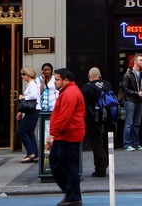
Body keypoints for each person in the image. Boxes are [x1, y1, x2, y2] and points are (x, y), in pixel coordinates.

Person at [46, 68, 86, 206]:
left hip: (69, 134)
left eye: (57, 79)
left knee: (67, 166)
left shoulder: (70, 93)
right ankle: (71, 195)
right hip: (65, 134)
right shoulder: (68, 92)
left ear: (66, 80)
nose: (54, 82)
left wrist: (53, 133)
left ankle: (73, 197)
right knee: (57, 163)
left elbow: (64, 116)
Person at [81, 67, 112, 177]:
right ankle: (105, 163)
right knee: (106, 141)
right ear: (100, 76)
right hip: (107, 119)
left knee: (96, 143)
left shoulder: (86, 88)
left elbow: (83, 105)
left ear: (89, 76)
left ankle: (100, 167)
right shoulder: (107, 85)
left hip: (92, 120)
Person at [121, 55, 142, 151]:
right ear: (134, 61)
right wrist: (137, 93)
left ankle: (136, 143)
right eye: (140, 60)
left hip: (139, 101)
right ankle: (127, 144)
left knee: (136, 123)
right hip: (130, 100)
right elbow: (124, 89)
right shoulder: (128, 74)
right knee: (129, 123)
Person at [17, 66, 41, 163]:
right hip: (33, 110)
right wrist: (20, 112)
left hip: (33, 110)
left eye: (23, 74)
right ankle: (34, 154)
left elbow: (34, 96)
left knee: (22, 131)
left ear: (27, 74)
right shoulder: (32, 83)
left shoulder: (32, 84)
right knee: (30, 132)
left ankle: (31, 153)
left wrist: (23, 97)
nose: (22, 76)